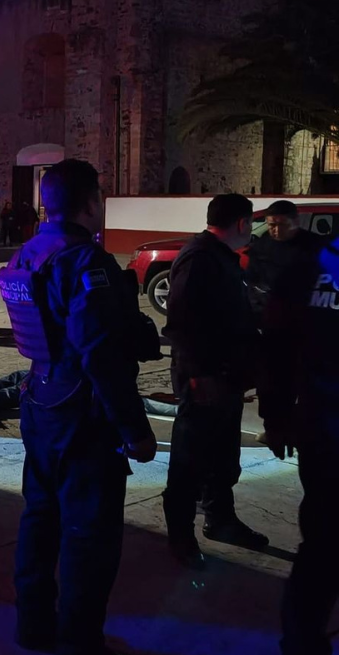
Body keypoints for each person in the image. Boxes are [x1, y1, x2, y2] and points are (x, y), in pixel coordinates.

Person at [0, 159, 157, 655]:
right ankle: (80, 641)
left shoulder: (30, 251)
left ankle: (34, 629)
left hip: (40, 399)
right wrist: (134, 428)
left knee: (39, 522)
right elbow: (100, 354)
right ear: (91, 201)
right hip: (81, 413)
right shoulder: (84, 260)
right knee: (90, 537)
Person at [161, 193, 267, 569]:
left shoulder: (219, 257)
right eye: (251, 224)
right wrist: (198, 376)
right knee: (189, 461)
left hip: (226, 378)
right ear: (241, 223)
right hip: (204, 380)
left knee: (223, 458)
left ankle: (221, 520)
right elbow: (183, 323)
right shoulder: (200, 257)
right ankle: (180, 535)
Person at [259, 235, 339, 655]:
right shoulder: (305, 267)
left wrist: (276, 417)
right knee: (325, 542)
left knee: (323, 543)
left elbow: (274, 348)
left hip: (319, 427)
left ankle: (301, 640)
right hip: (324, 426)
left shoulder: (305, 268)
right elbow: (275, 348)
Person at [0, 371, 179, 417]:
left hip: (86, 389)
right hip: (79, 375)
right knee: (16, 377)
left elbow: (146, 405)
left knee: (20, 390)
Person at [246, 200, 323, 317]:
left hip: (305, 312)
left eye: (283, 225)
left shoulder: (314, 245)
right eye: (272, 225)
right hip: (270, 312)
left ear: (296, 222)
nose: (277, 230)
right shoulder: (261, 245)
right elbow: (252, 280)